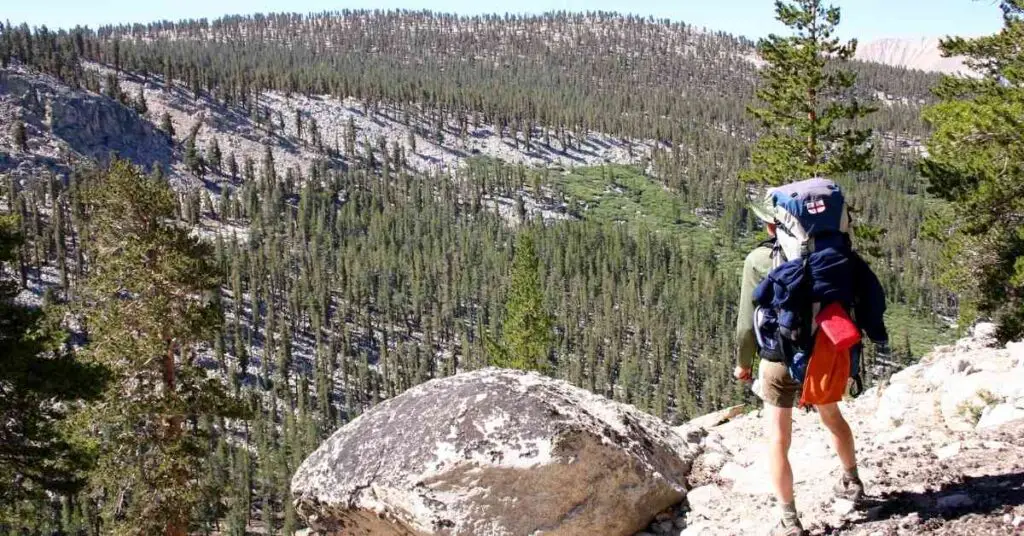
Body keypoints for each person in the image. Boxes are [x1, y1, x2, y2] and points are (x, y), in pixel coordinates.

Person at [735, 192, 881, 536]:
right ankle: (852, 482)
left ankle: (789, 520)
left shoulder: (758, 260)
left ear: (775, 224)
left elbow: (746, 323)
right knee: (832, 416)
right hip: (825, 352)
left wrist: (743, 363)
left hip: (778, 358)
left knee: (777, 438)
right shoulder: (837, 257)